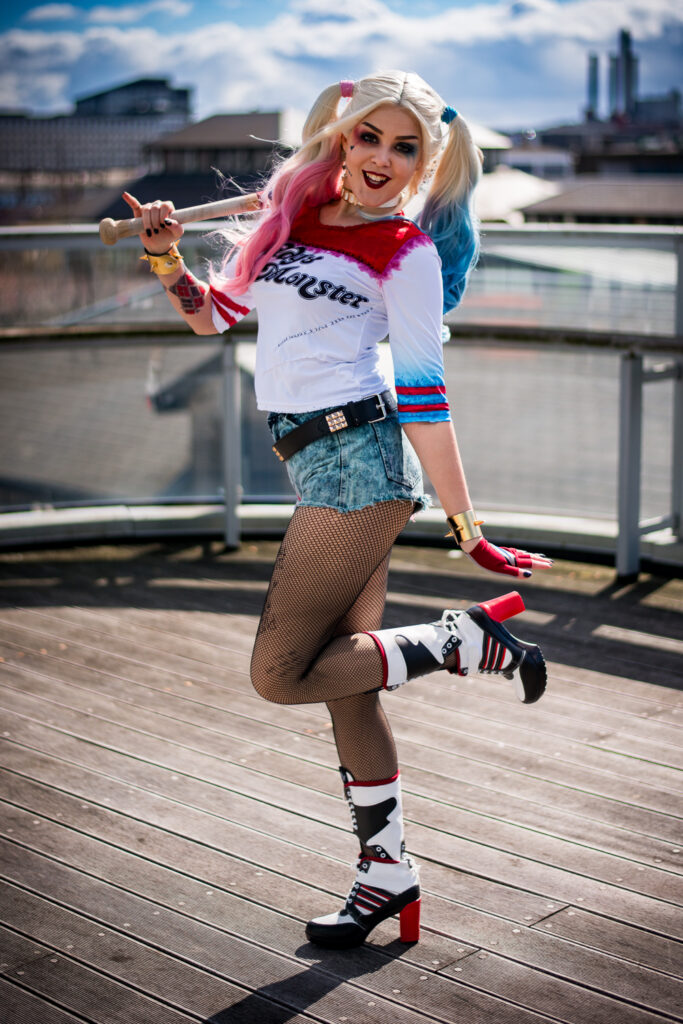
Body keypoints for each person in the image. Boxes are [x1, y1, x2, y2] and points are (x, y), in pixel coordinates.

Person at [123, 69, 552, 951]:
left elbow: (427, 397)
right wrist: (165, 254)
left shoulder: (408, 249)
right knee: (344, 685)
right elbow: (213, 320)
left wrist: (468, 530)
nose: (384, 159)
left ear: (424, 162)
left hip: (361, 460)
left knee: (278, 673)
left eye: (406, 147)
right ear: (341, 139)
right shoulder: (288, 225)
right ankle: (386, 875)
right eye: (369, 138)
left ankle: (459, 641)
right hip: (313, 460)